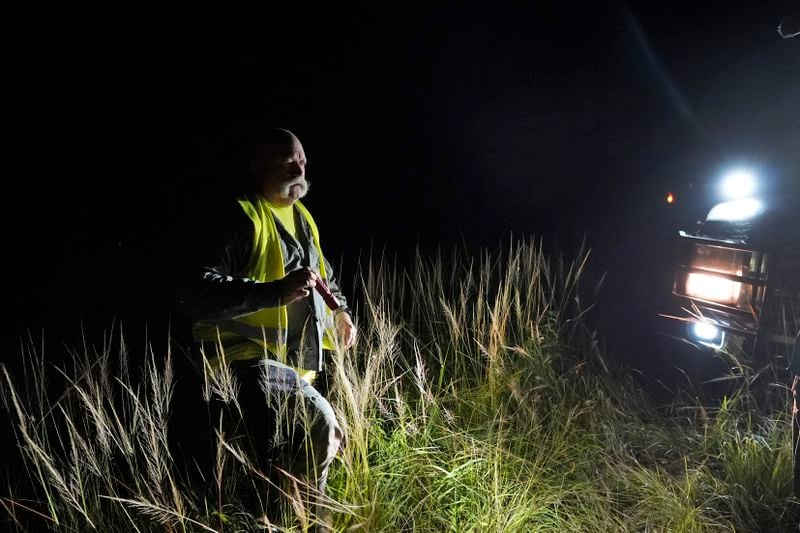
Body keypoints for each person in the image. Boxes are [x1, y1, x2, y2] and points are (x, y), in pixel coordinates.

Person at [174, 128, 356, 529]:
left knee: (311, 445)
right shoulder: (238, 215)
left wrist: (340, 311)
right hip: (241, 359)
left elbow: (323, 275)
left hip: (295, 366)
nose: (299, 168)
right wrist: (270, 293)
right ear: (256, 165)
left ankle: (290, 519)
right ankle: (304, 523)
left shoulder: (303, 216)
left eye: (303, 161)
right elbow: (192, 290)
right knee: (320, 423)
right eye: (287, 161)